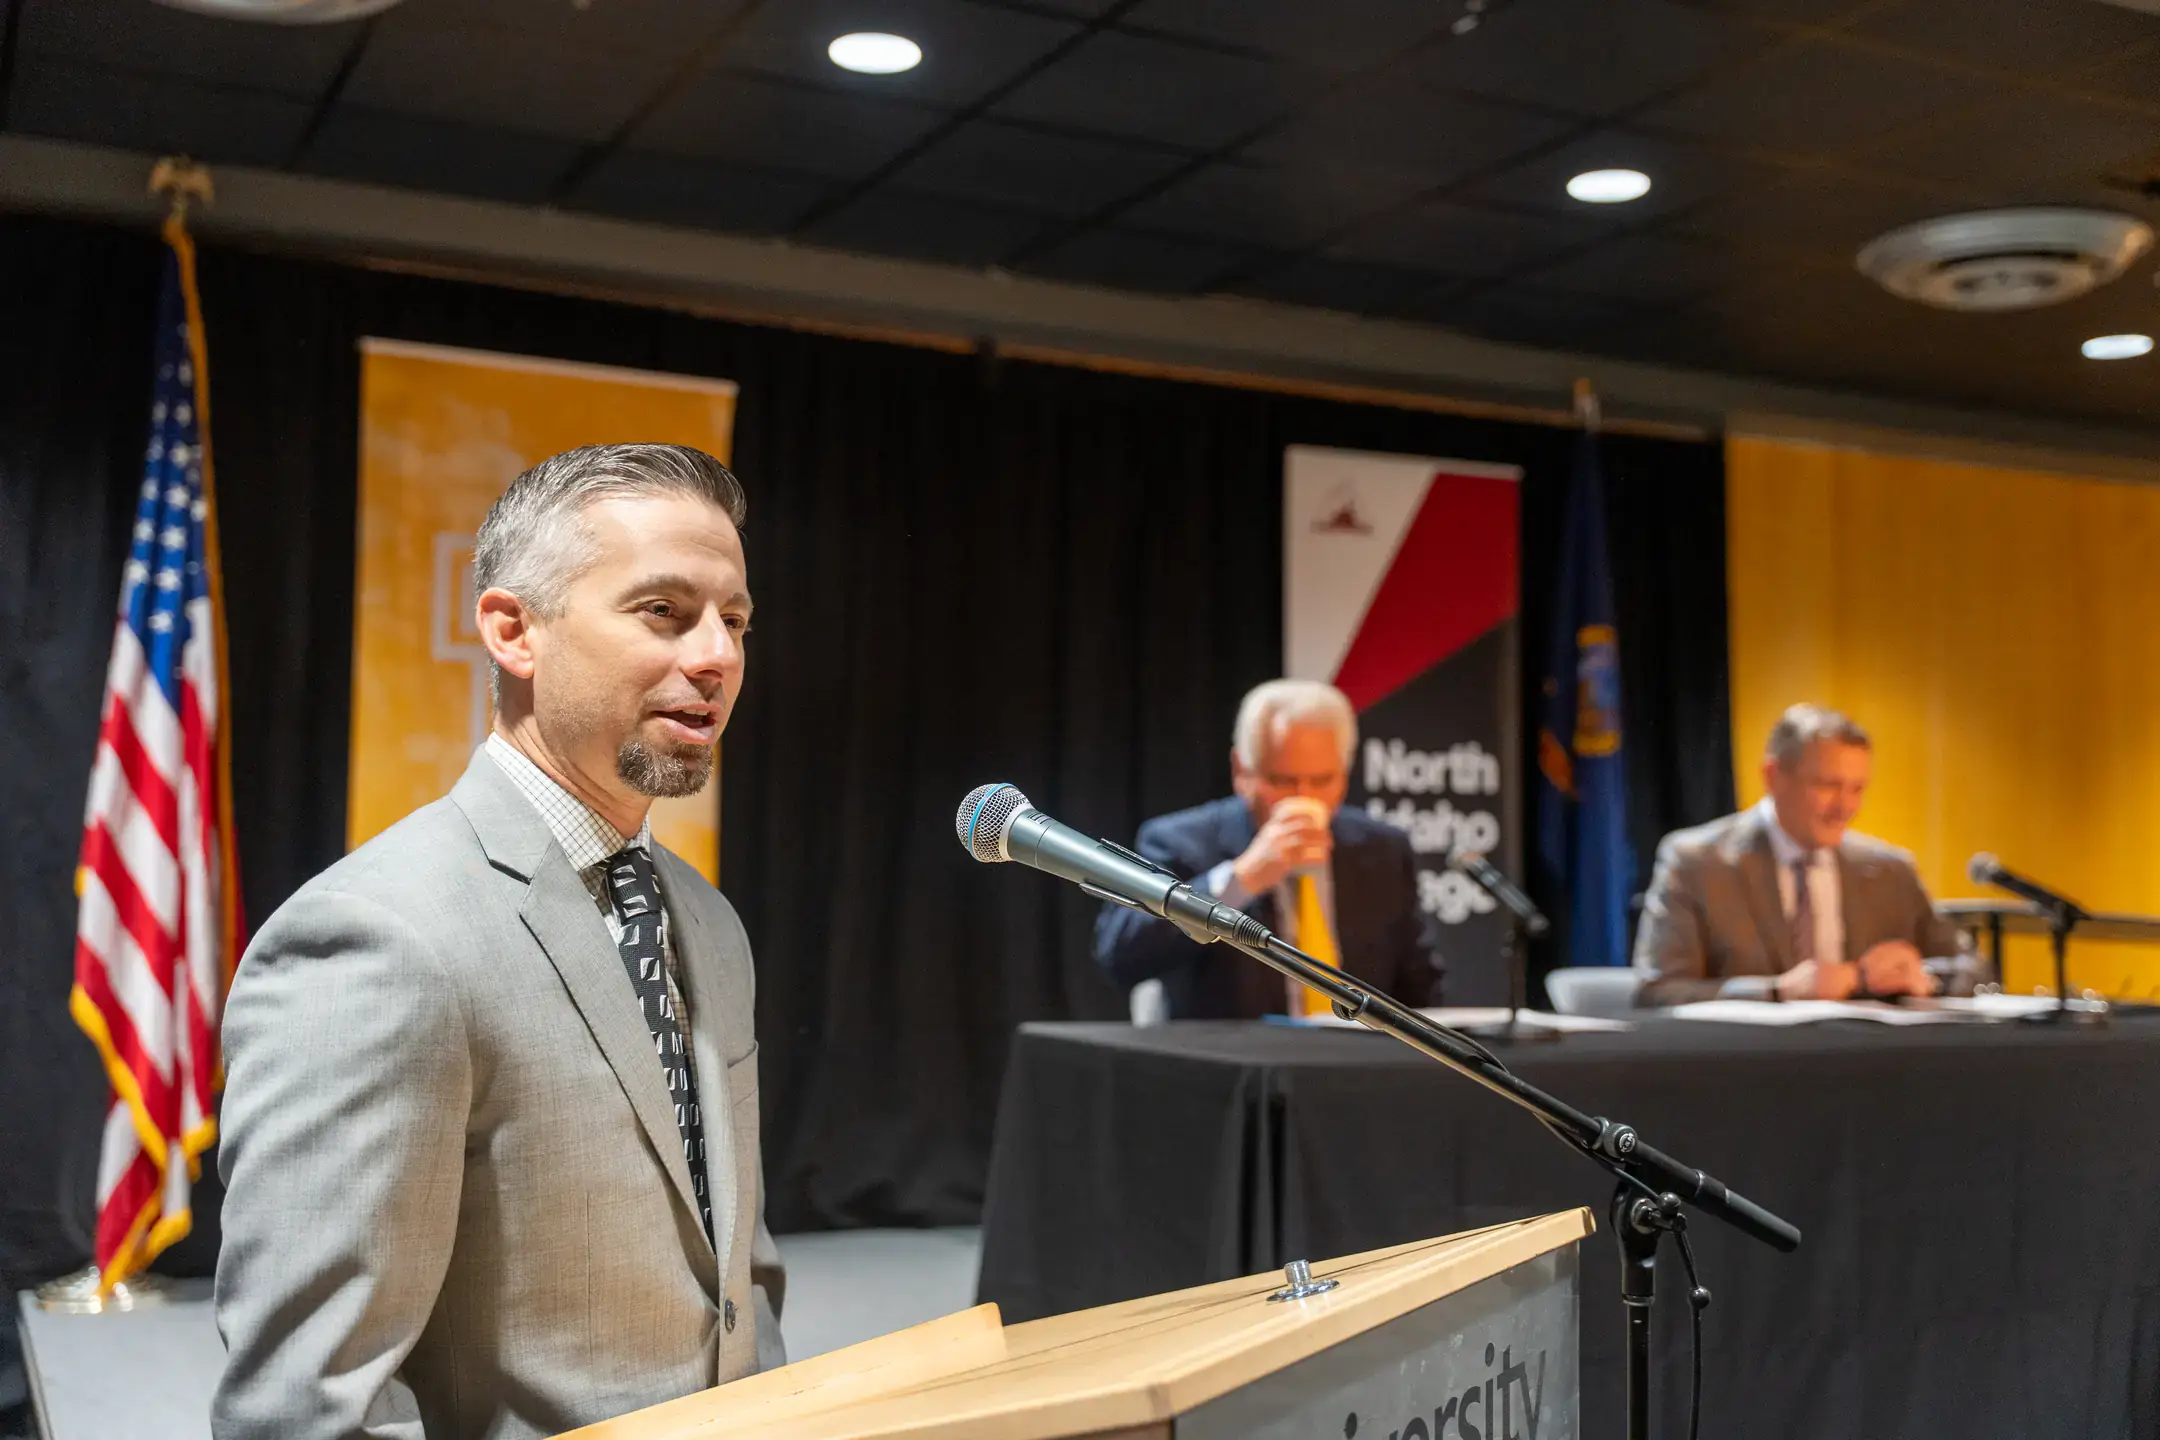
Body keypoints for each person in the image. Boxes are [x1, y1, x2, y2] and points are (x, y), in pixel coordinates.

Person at [213, 445, 783, 1440]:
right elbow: (307, 1407)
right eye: (664, 611)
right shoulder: (378, 939)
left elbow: (736, 1276)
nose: (716, 656)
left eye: (733, 619)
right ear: (513, 630)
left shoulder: (708, 923)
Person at [1094, 679, 1441, 1019]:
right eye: (1282, 781)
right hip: (1233, 1065)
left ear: (1345, 774)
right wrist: (1242, 878)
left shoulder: (1382, 849)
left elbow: (1418, 984)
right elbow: (1119, 955)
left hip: (1354, 1062)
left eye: (1322, 780)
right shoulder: (1180, 841)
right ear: (1242, 771)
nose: (1303, 798)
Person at [1634, 703, 1976, 1007]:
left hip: (1872, 1068)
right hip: (1747, 1069)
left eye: (1857, 789)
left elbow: (1975, 970)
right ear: (1773, 776)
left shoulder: (1890, 870)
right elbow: (1658, 991)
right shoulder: (1697, 862)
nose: (1846, 807)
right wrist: (1776, 990)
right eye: (1828, 785)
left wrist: (1924, 975)